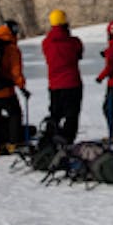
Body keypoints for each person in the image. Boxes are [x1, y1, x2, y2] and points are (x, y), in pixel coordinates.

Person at [0, 19, 30, 156]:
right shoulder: (11, 48)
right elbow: (16, 71)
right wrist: (22, 87)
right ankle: (14, 143)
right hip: (4, 90)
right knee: (15, 114)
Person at [41, 9, 84, 144]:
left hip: (55, 85)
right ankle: (67, 140)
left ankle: (50, 139)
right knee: (72, 115)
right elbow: (79, 54)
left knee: (55, 113)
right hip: (72, 83)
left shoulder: (46, 42)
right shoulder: (74, 42)